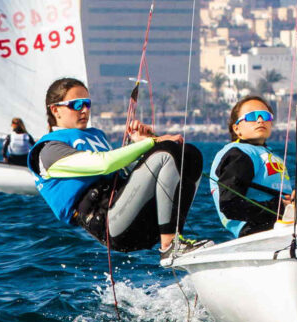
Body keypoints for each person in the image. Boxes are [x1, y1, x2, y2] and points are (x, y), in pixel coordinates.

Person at [28, 77, 211, 262]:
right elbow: (104, 164)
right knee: (167, 152)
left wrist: (139, 143)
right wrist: (152, 143)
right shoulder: (48, 150)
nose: (84, 110)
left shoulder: (95, 135)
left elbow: (124, 172)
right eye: (76, 105)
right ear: (55, 110)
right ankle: (170, 246)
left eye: (87, 104)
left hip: (132, 211)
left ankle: (174, 237)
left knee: (189, 154)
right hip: (109, 223)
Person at [211, 95, 294, 238]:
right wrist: (280, 207)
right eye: (252, 116)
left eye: (265, 116)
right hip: (255, 230)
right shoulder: (239, 155)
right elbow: (230, 205)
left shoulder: (267, 153)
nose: (260, 120)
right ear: (237, 128)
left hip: (282, 227)